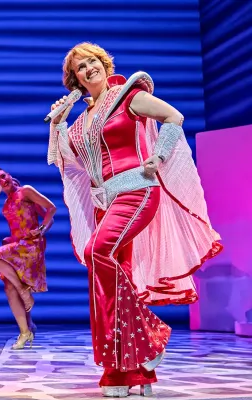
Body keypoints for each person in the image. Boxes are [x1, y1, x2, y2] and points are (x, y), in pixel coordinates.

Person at [47, 42, 223, 398]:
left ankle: (152, 335)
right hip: (106, 202)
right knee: (109, 280)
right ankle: (126, 371)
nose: (89, 69)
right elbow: (69, 163)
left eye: (93, 61)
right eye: (81, 68)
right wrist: (59, 123)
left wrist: (158, 157)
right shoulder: (81, 121)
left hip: (137, 191)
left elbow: (174, 117)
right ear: (75, 80)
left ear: (104, 63)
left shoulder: (128, 95)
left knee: (97, 251)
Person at [0, 167, 56, 350]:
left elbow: (51, 210)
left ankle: (24, 293)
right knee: (9, 288)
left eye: (3, 176)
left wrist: (41, 230)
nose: (3, 181)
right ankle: (26, 331)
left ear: (9, 175)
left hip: (31, 246)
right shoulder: (5, 204)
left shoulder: (25, 191)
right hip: (18, 246)